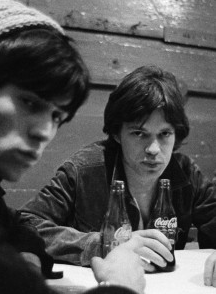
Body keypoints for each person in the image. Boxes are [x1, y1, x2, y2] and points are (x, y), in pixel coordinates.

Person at [0, 0, 145, 294]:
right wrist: (119, 283)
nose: (45, 132)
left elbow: (21, 231)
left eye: (56, 116)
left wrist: (18, 272)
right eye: (29, 102)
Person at [21, 65, 216, 273]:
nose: (153, 149)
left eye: (165, 134)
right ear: (116, 133)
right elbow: (25, 224)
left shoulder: (185, 173)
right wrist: (105, 244)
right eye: (139, 133)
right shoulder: (84, 170)